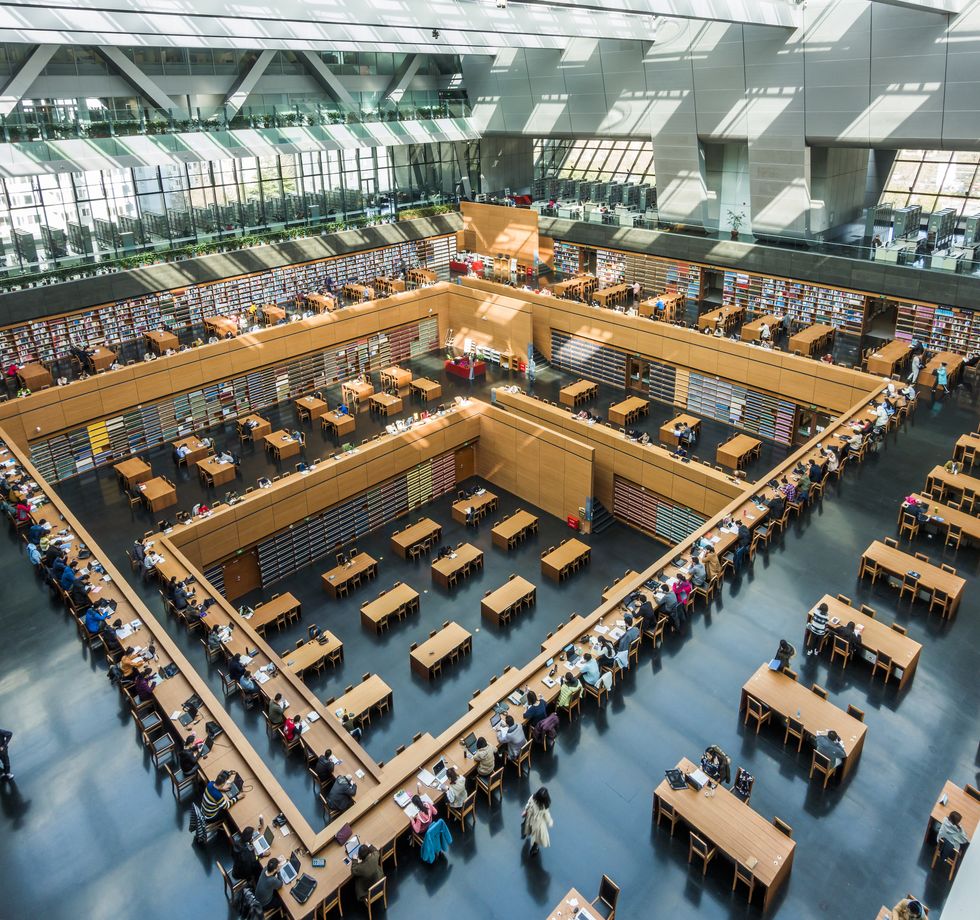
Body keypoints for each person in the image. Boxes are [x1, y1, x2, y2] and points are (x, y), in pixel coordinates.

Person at [522, 787, 554, 857]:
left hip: (530, 817)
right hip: (538, 824)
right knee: (537, 837)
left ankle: (525, 833)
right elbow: (546, 815)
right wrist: (550, 822)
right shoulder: (544, 807)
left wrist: (525, 810)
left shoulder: (532, 798)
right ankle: (534, 849)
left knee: (527, 827)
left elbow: (528, 804)